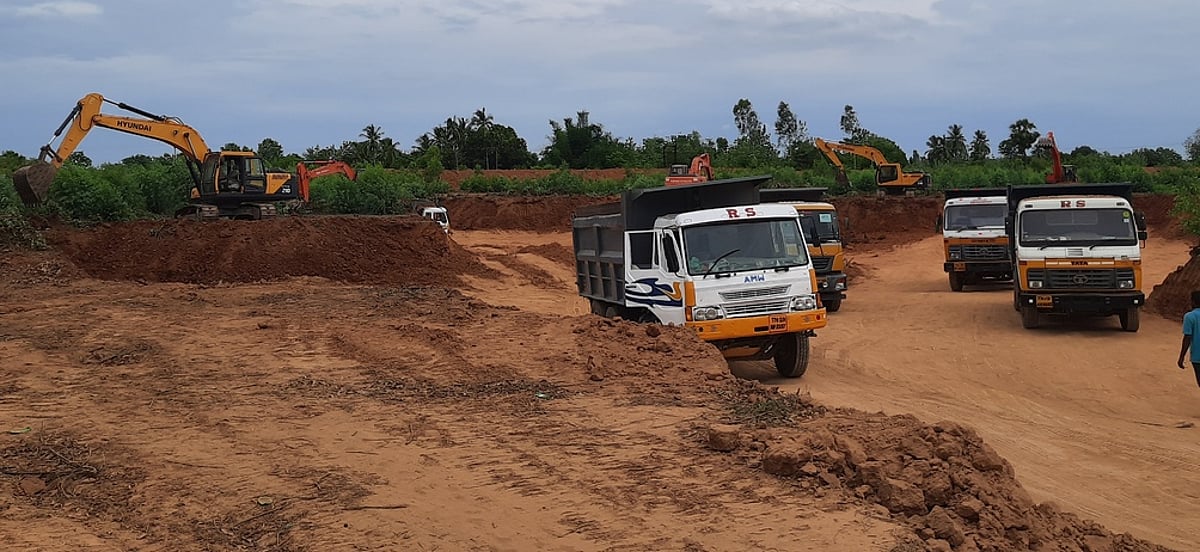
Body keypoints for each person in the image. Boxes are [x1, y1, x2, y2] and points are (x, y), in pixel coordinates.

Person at [1177, 290, 1200, 388]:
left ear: (1193, 302)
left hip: (1197, 356)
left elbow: (1187, 338)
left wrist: (1181, 357)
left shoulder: (1190, 316)